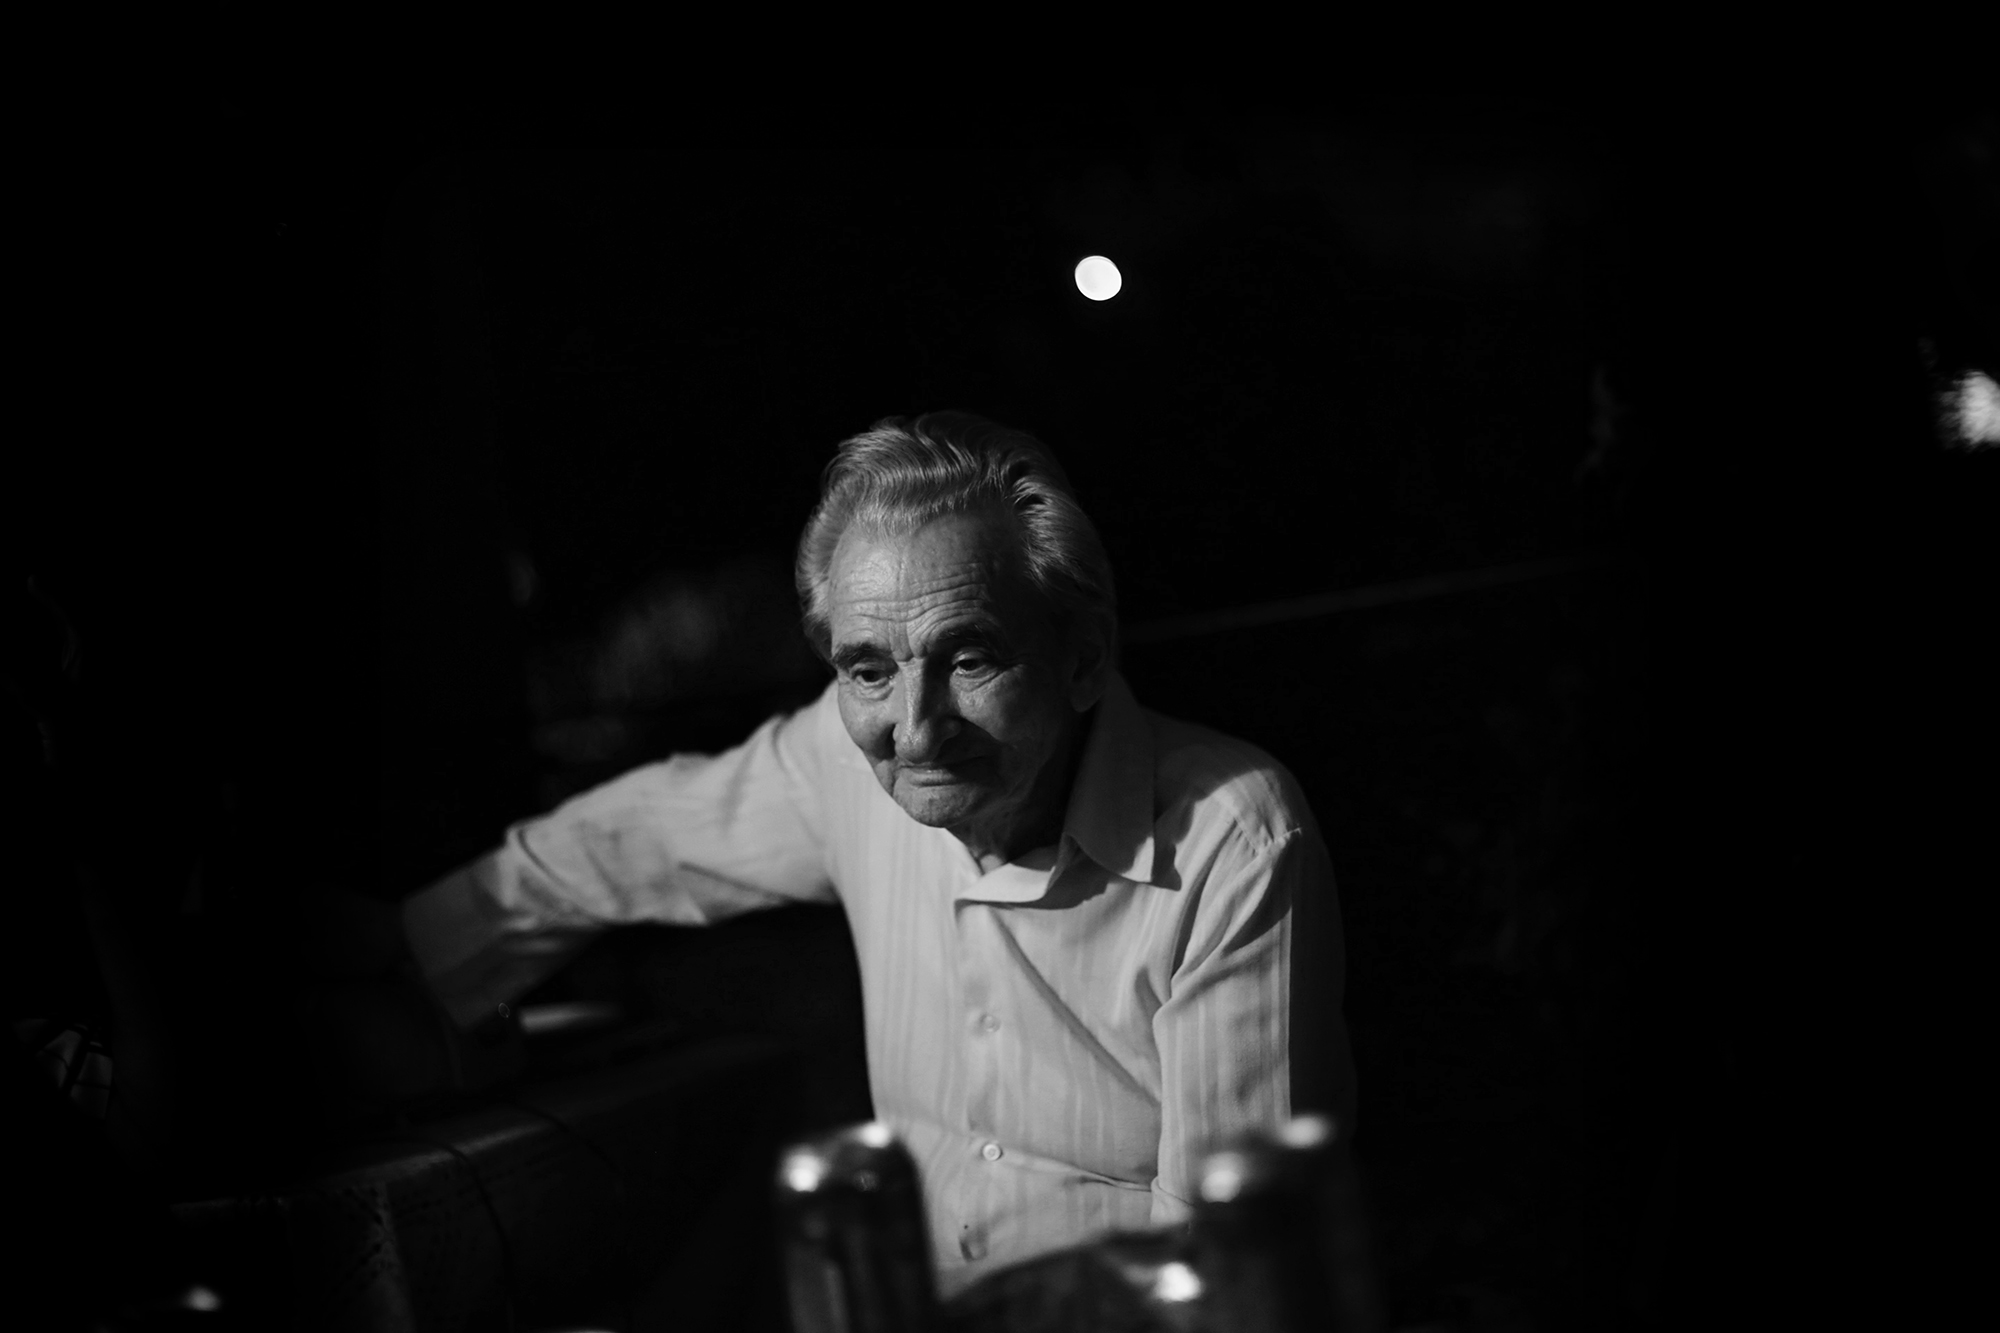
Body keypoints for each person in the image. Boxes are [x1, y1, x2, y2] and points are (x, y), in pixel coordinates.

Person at [401, 411, 1356, 1295]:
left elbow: (1229, 1270)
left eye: (970, 658)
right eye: (868, 669)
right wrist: (405, 957)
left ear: (1082, 657)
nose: (915, 728)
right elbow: (626, 845)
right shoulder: (841, 754)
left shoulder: (1235, 836)